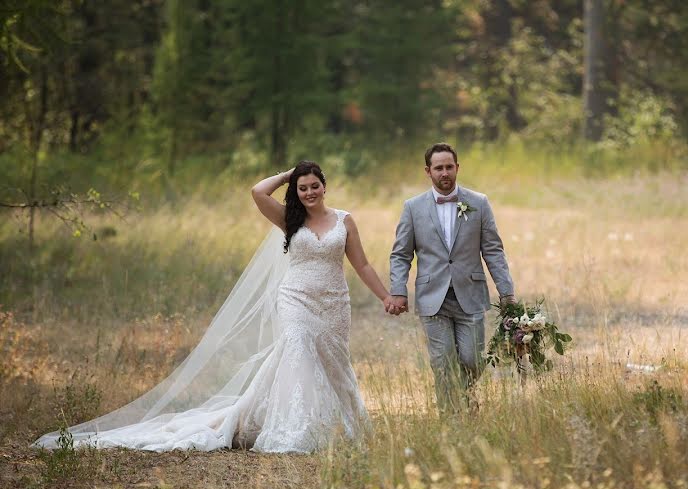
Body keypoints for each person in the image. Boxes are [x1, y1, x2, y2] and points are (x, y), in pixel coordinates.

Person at [33, 160, 391, 453]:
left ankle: (340, 425)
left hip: (333, 304)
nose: (309, 192)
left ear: (324, 186)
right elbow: (257, 191)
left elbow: (362, 265)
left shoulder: (344, 221)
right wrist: (288, 174)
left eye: (314, 185)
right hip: (295, 298)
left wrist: (387, 297)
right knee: (297, 348)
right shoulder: (288, 219)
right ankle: (292, 430)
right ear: (296, 191)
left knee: (333, 361)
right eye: (303, 187)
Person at [386, 143, 515, 413]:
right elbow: (400, 254)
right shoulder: (413, 207)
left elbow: (493, 249)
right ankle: (451, 420)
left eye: (449, 167)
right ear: (428, 171)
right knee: (442, 361)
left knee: (472, 358)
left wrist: (506, 292)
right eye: (438, 168)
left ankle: (465, 393)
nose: (445, 173)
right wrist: (398, 290)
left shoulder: (478, 203)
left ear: (457, 168)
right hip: (433, 297)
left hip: (470, 293)